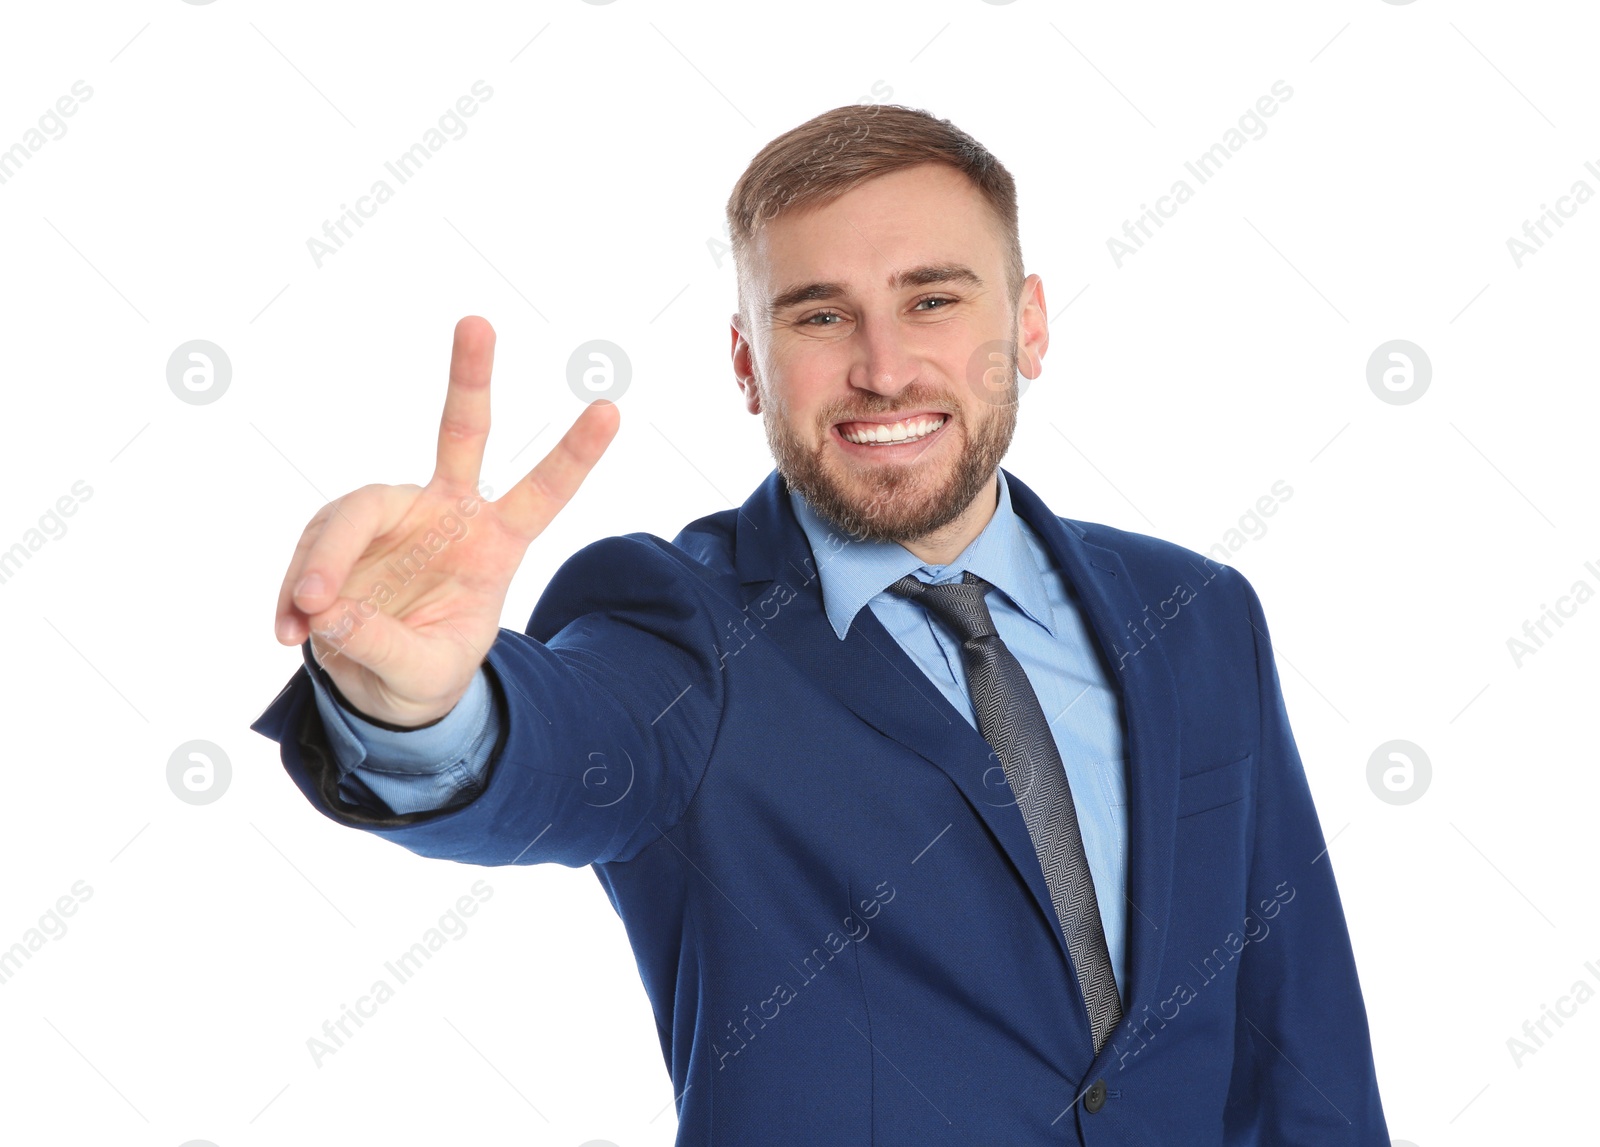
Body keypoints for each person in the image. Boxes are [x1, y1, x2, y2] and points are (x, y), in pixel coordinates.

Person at [253, 103, 1390, 1144]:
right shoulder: (679, 625)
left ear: (1029, 326)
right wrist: (425, 707)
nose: (883, 370)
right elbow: (565, 746)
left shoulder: (1196, 616)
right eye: (818, 315)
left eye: (932, 299)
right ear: (747, 363)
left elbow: (1299, 1032)